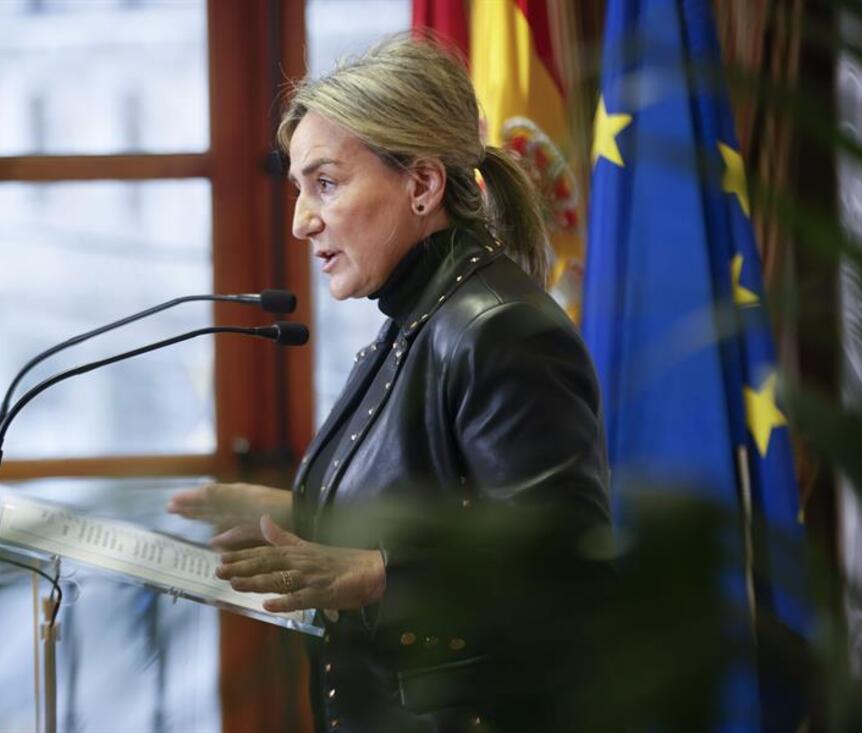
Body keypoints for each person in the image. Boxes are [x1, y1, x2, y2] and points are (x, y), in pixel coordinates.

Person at [168, 33, 609, 732]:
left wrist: (373, 575)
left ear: (423, 185)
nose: (300, 220)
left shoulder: (498, 329)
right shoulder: (415, 316)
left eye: (327, 182)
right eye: (299, 188)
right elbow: (442, 510)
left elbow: (562, 563)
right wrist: (293, 511)